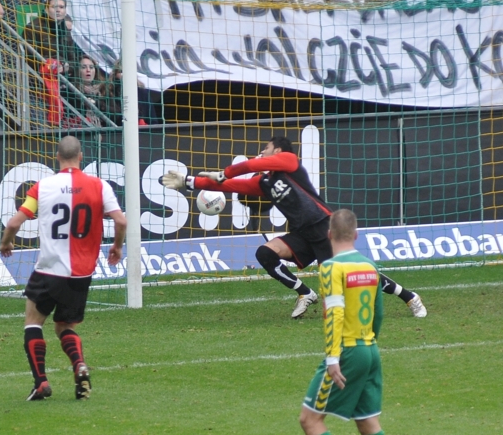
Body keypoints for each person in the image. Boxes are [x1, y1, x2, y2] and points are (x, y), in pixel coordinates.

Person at [161, 135, 427, 319]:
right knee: (265, 253)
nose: (262, 152)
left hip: (325, 228)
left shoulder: (289, 160)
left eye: (265, 148)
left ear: (277, 150)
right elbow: (227, 186)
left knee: (352, 277)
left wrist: (228, 171)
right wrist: (188, 181)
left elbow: (250, 167)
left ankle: (409, 296)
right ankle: (305, 293)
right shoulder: (264, 184)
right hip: (303, 233)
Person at [0, 136, 127, 401]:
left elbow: (13, 223)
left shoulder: (42, 187)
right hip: (81, 274)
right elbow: (121, 220)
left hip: (48, 270)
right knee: (64, 327)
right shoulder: (100, 186)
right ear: (81, 157)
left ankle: (41, 382)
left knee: (33, 323)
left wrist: (6, 242)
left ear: (57, 158)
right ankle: (79, 365)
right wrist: (116, 246)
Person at [299, 209, 390, 435]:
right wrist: (369, 342)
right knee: (367, 420)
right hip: (369, 348)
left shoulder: (330, 267)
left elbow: (334, 312)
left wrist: (333, 357)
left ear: (328, 235)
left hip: (347, 351)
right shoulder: (369, 266)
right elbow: (378, 312)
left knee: (310, 419)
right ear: (356, 234)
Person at [22, 0, 80, 79]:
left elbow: (74, 61)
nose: (58, 10)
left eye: (61, 7)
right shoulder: (32, 28)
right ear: (46, 9)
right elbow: (31, 58)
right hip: (39, 79)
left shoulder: (66, 31)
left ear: (65, 11)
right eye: (54, 7)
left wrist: (63, 67)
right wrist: (55, 64)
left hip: (64, 80)